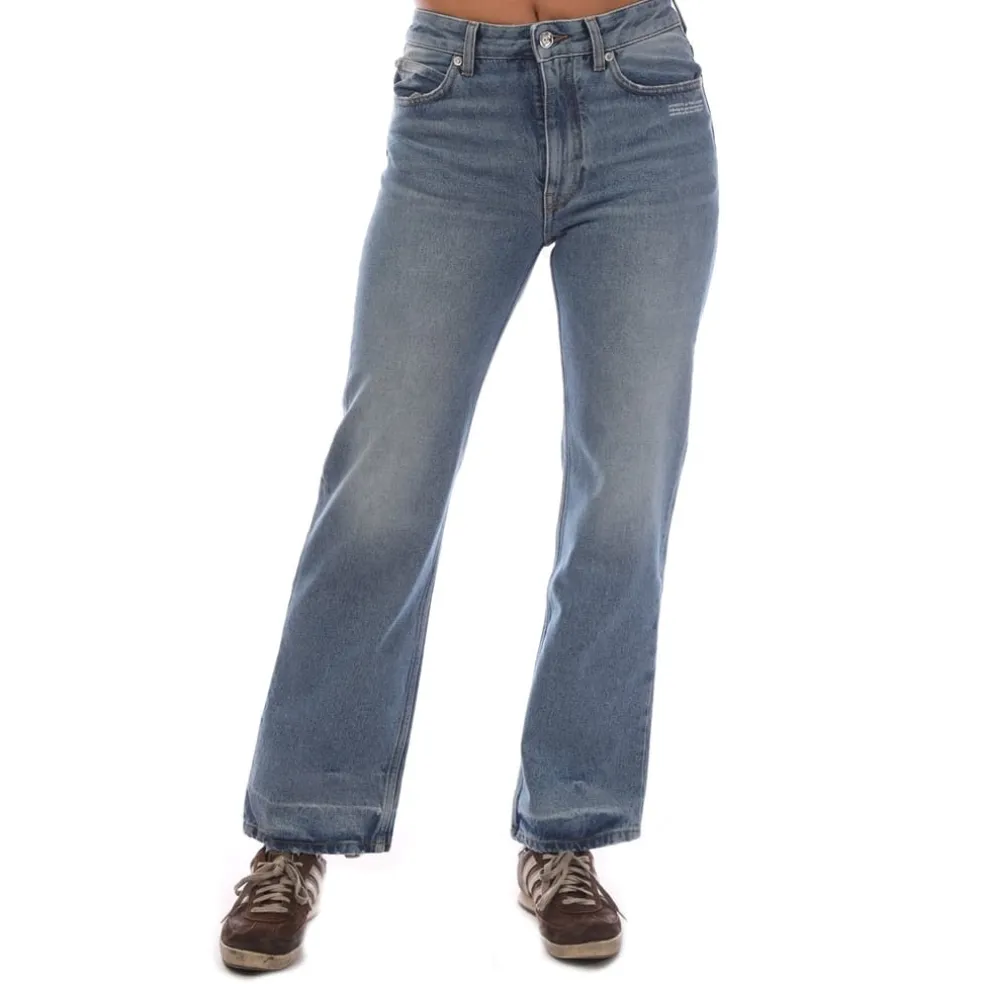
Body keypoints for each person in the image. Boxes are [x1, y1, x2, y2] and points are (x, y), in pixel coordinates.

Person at [219, 0, 718, 969]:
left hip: (642, 95)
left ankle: (566, 828)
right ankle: (301, 822)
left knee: (622, 501)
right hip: (457, 99)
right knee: (381, 492)